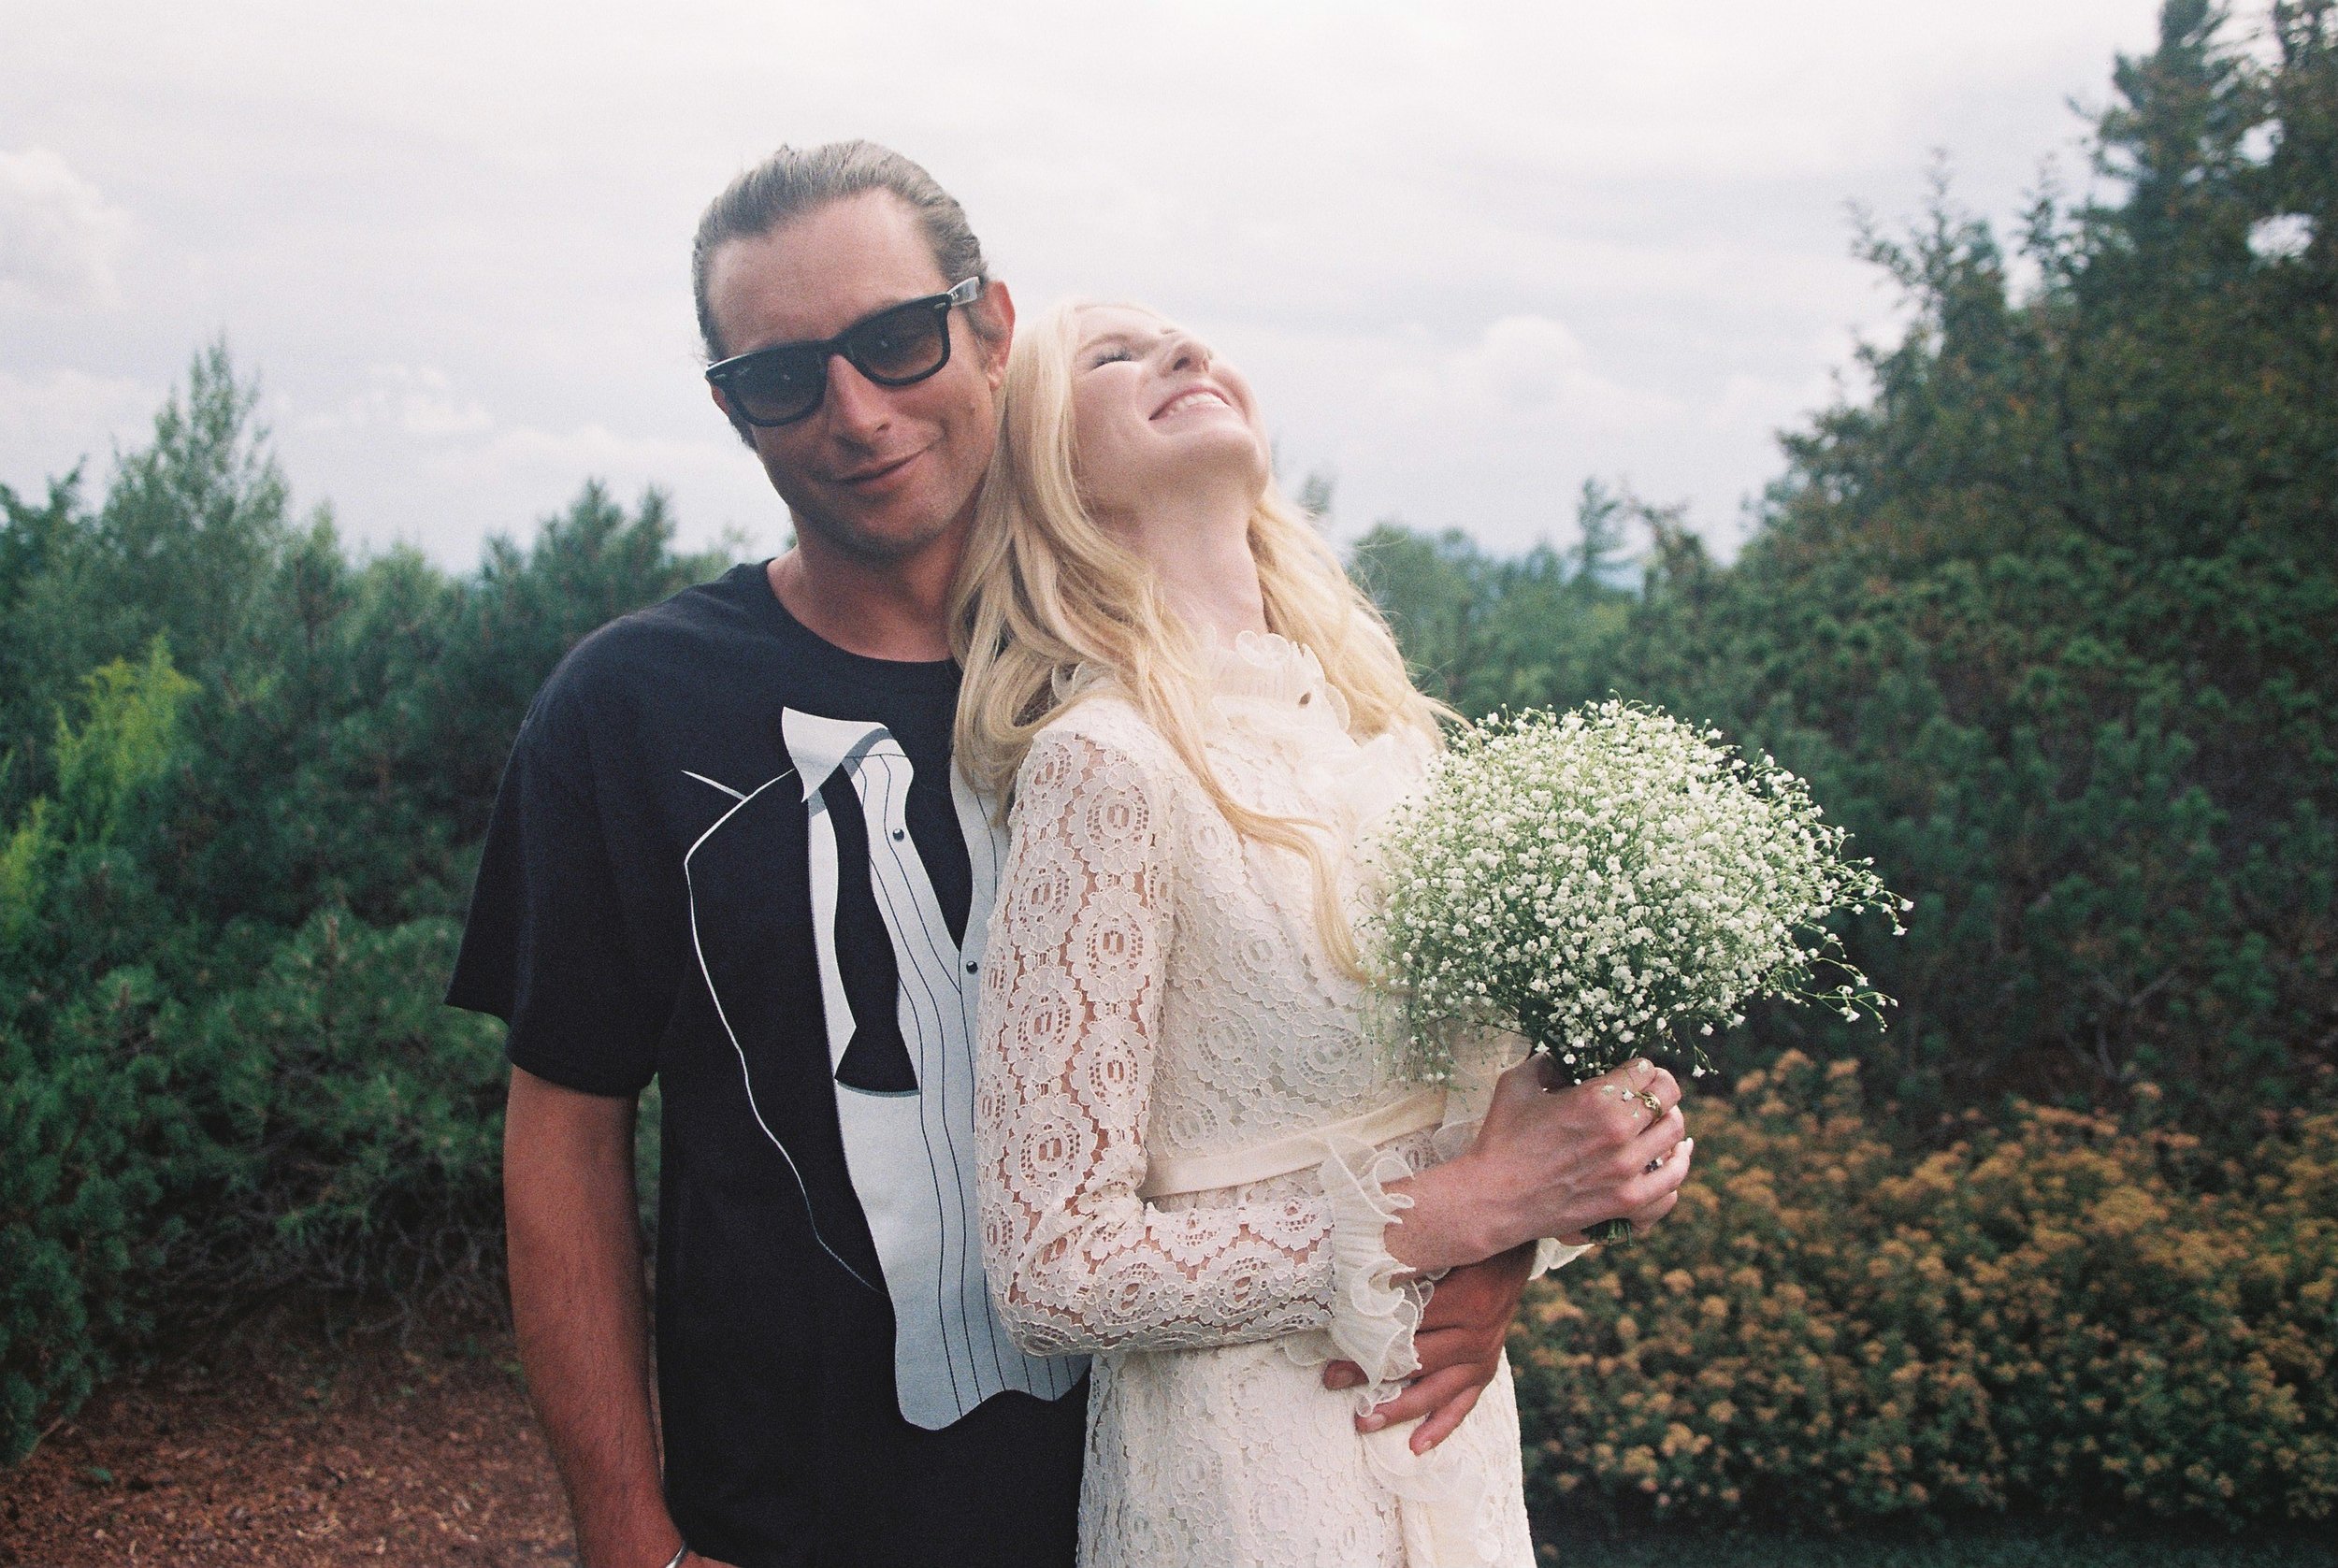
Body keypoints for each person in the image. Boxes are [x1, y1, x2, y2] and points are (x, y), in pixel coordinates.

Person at [450, 140, 1684, 1568]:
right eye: (783, 376)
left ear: (990, 329)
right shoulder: (632, 708)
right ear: (733, 411)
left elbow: (1386, 1069)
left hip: (1214, 1471)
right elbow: (564, 1132)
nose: (855, 410)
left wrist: (1494, 1252)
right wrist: (628, 1534)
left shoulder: (1198, 701)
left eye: (899, 340)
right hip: (804, 1516)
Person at [956, 298, 1696, 1567]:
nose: (1182, 354)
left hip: (1449, 1438)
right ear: (1050, 467)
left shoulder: (1387, 735)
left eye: (1187, 337)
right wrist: (1462, 1208)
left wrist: (1582, 1170)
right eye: (1113, 356)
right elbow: (1052, 1267)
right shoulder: (1102, 763)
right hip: (1246, 1474)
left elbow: (1486, 1129)